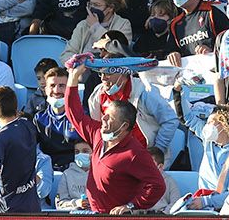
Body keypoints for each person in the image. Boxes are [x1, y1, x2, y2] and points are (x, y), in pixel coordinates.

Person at [64, 62, 166, 213]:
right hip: (94, 213)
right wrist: (73, 77)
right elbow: (74, 114)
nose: (103, 119)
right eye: (105, 115)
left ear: (124, 126)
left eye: (110, 118)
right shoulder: (97, 134)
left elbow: (158, 186)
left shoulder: (134, 154)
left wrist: (131, 206)